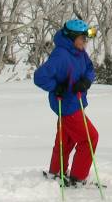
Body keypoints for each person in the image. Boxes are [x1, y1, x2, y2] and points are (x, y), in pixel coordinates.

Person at [34, 19, 97, 186]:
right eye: (83, 38)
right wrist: (56, 87)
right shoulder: (61, 56)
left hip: (75, 102)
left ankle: (56, 171)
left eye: (86, 38)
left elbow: (90, 69)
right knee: (90, 138)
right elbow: (39, 77)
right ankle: (77, 177)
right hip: (67, 104)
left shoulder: (79, 51)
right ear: (72, 38)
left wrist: (86, 81)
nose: (85, 41)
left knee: (65, 139)